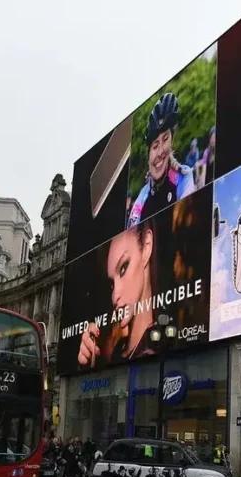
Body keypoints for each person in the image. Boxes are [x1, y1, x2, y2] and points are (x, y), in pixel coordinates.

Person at [76, 222, 160, 367]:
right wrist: (88, 362)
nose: (115, 296)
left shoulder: (163, 341)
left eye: (123, 268)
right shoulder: (116, 352)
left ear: (147, 246)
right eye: (112, 284)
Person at [127, 92, 196, 229]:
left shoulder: (183, 178)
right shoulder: (142, 197)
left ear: (172, 142)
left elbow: (187, 225)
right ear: (148, 155)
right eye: (155, 146)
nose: (160, 152)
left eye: (165, 139)